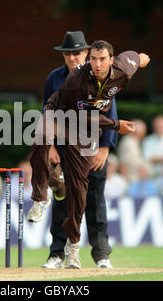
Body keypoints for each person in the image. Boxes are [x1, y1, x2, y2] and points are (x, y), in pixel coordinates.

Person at [27, 39, 150, 268]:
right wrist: (116, 125)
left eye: (102, 59)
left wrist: (142, 60)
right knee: (41, 134)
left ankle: (76, 249)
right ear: (89, 59)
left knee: (80, 192)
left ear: (111, 60)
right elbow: (86, 115)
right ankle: (39, 198)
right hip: (64, 116)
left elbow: (136, 58)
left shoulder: (123, 69)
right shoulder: (75, 81)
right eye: (94, 60)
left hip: (85, 136)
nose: (98, 64)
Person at [40, 31, 119, 270]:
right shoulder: (54, 78)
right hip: (64, 148)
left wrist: (106, 148)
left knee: (95, 201)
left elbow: (111, 113)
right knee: (62, 200)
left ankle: (101, 255)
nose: (73, 57)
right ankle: (56, 254)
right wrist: (50, 146)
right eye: (68, 54)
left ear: (85, 53)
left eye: (77, 53)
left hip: (93, 149)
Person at [117, 119, 147, 183]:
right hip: (130, 179)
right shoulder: (128, 142)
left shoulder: (135, 141)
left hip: (136, 178)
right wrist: (125, 182)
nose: (144, 133)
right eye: (143, 131)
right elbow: (123, 163)